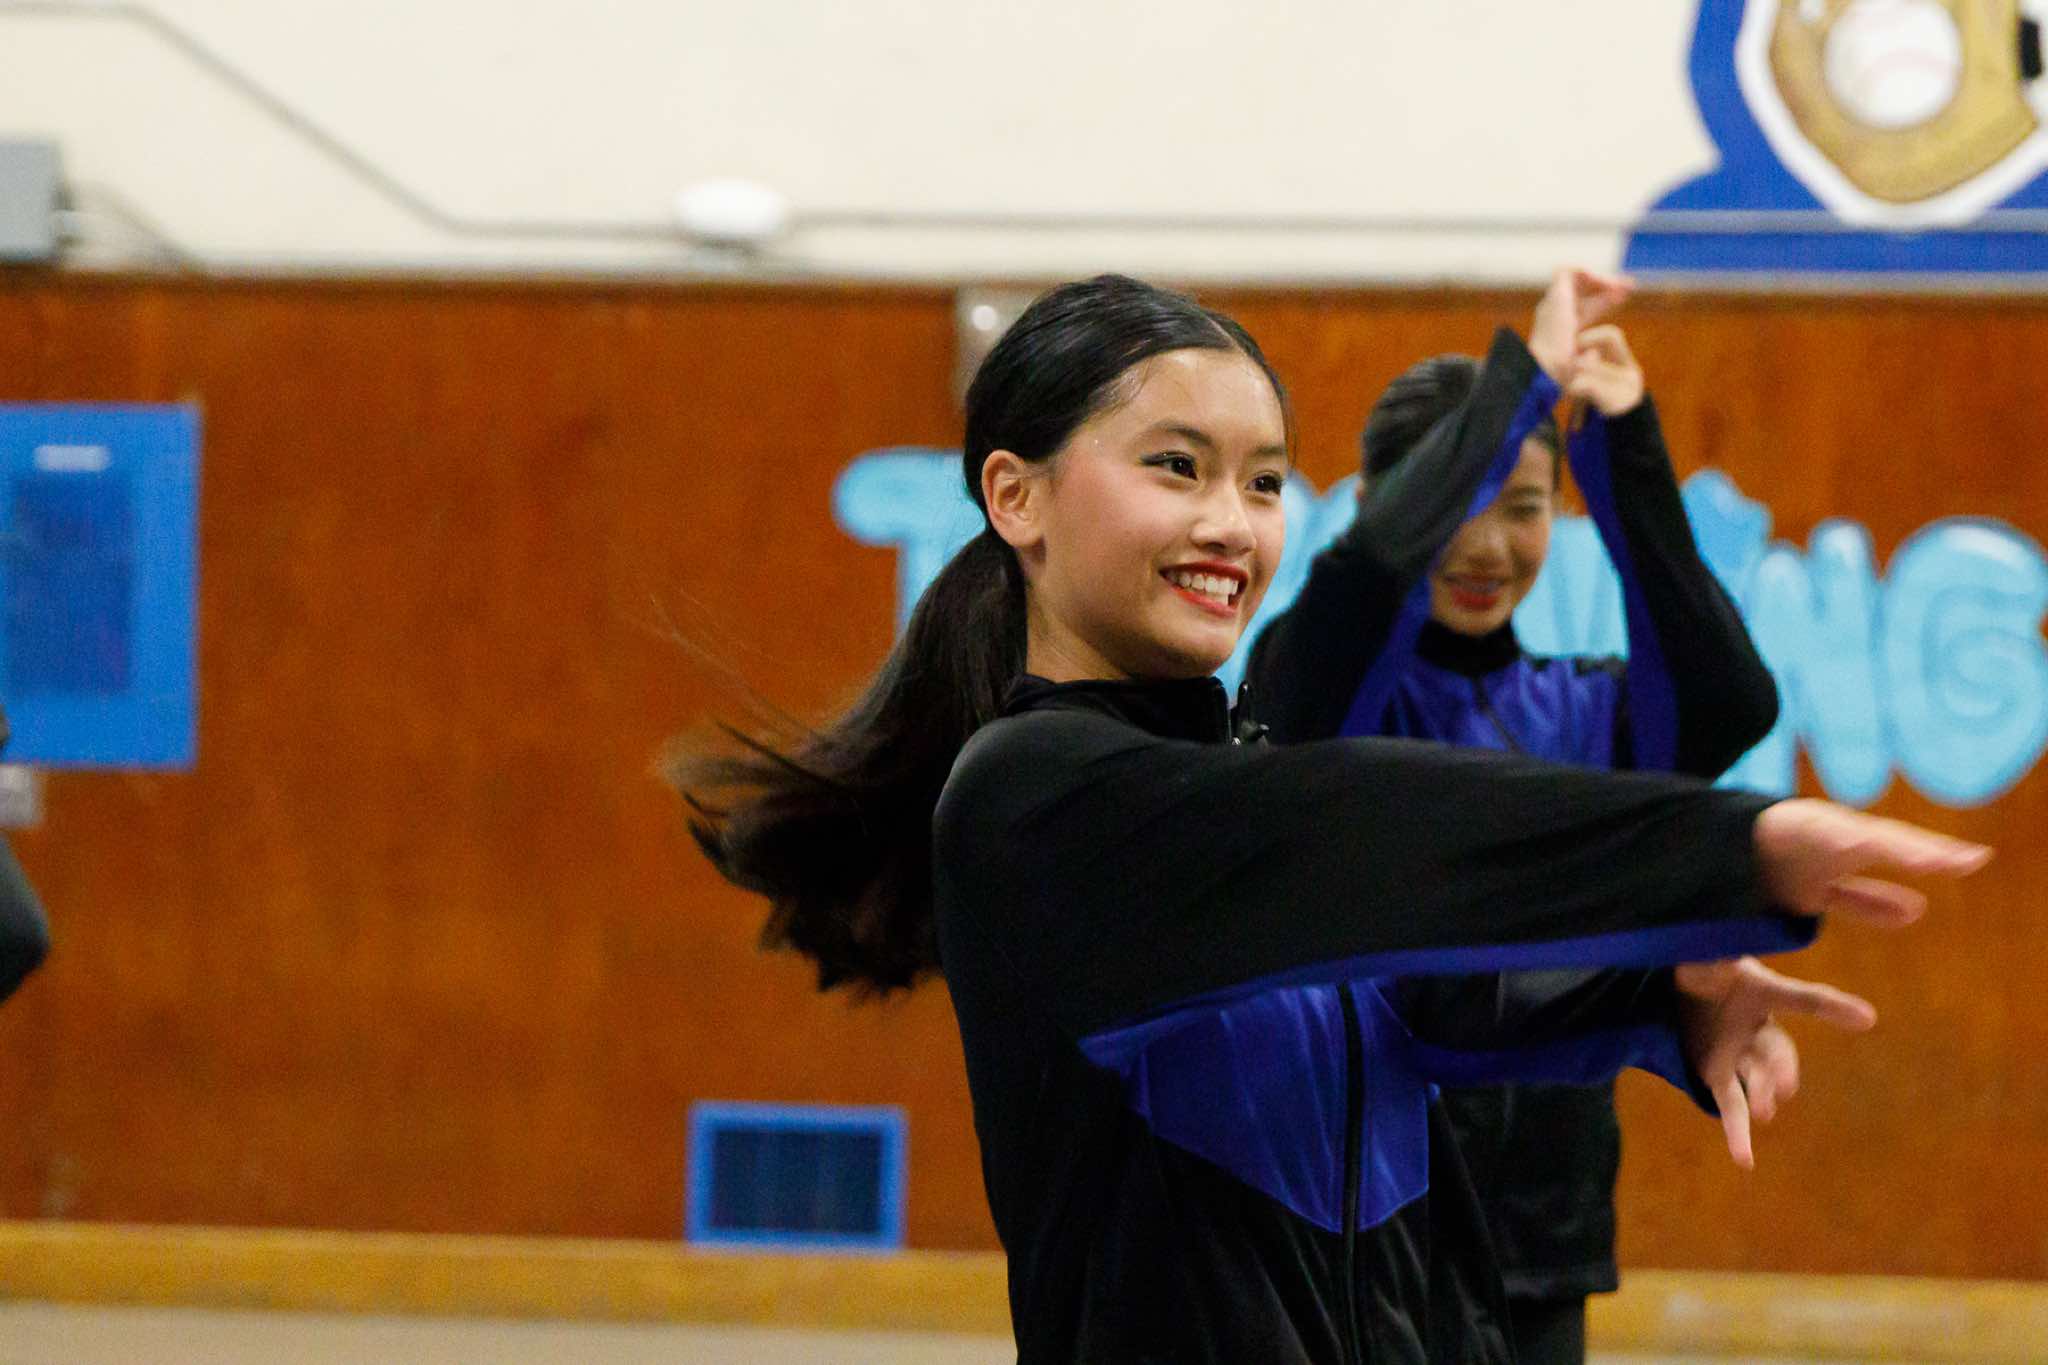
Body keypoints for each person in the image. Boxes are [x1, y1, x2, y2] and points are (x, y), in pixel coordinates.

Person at [676, 274, 1988, 1364]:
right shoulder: (1035, 794)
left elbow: (1417, 1008)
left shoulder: (1219, 773)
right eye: (1176, 467)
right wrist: (1728, 847)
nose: (1230, 524)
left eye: (1262, 484)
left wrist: (1659, 1006)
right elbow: (1381, 824)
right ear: (1015, 496)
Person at [1246, 268, 1774, 1364]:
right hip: (1344, 1226)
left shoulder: (1586, 712)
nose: (1488, 545)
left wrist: (1626, 452)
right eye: (1463, 502)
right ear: (1393, 505)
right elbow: (1355, 594)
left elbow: (1728, 699)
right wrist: (1517, 386)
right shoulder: (1326, 694)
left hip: (1538, 1236)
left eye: (1524, 506)